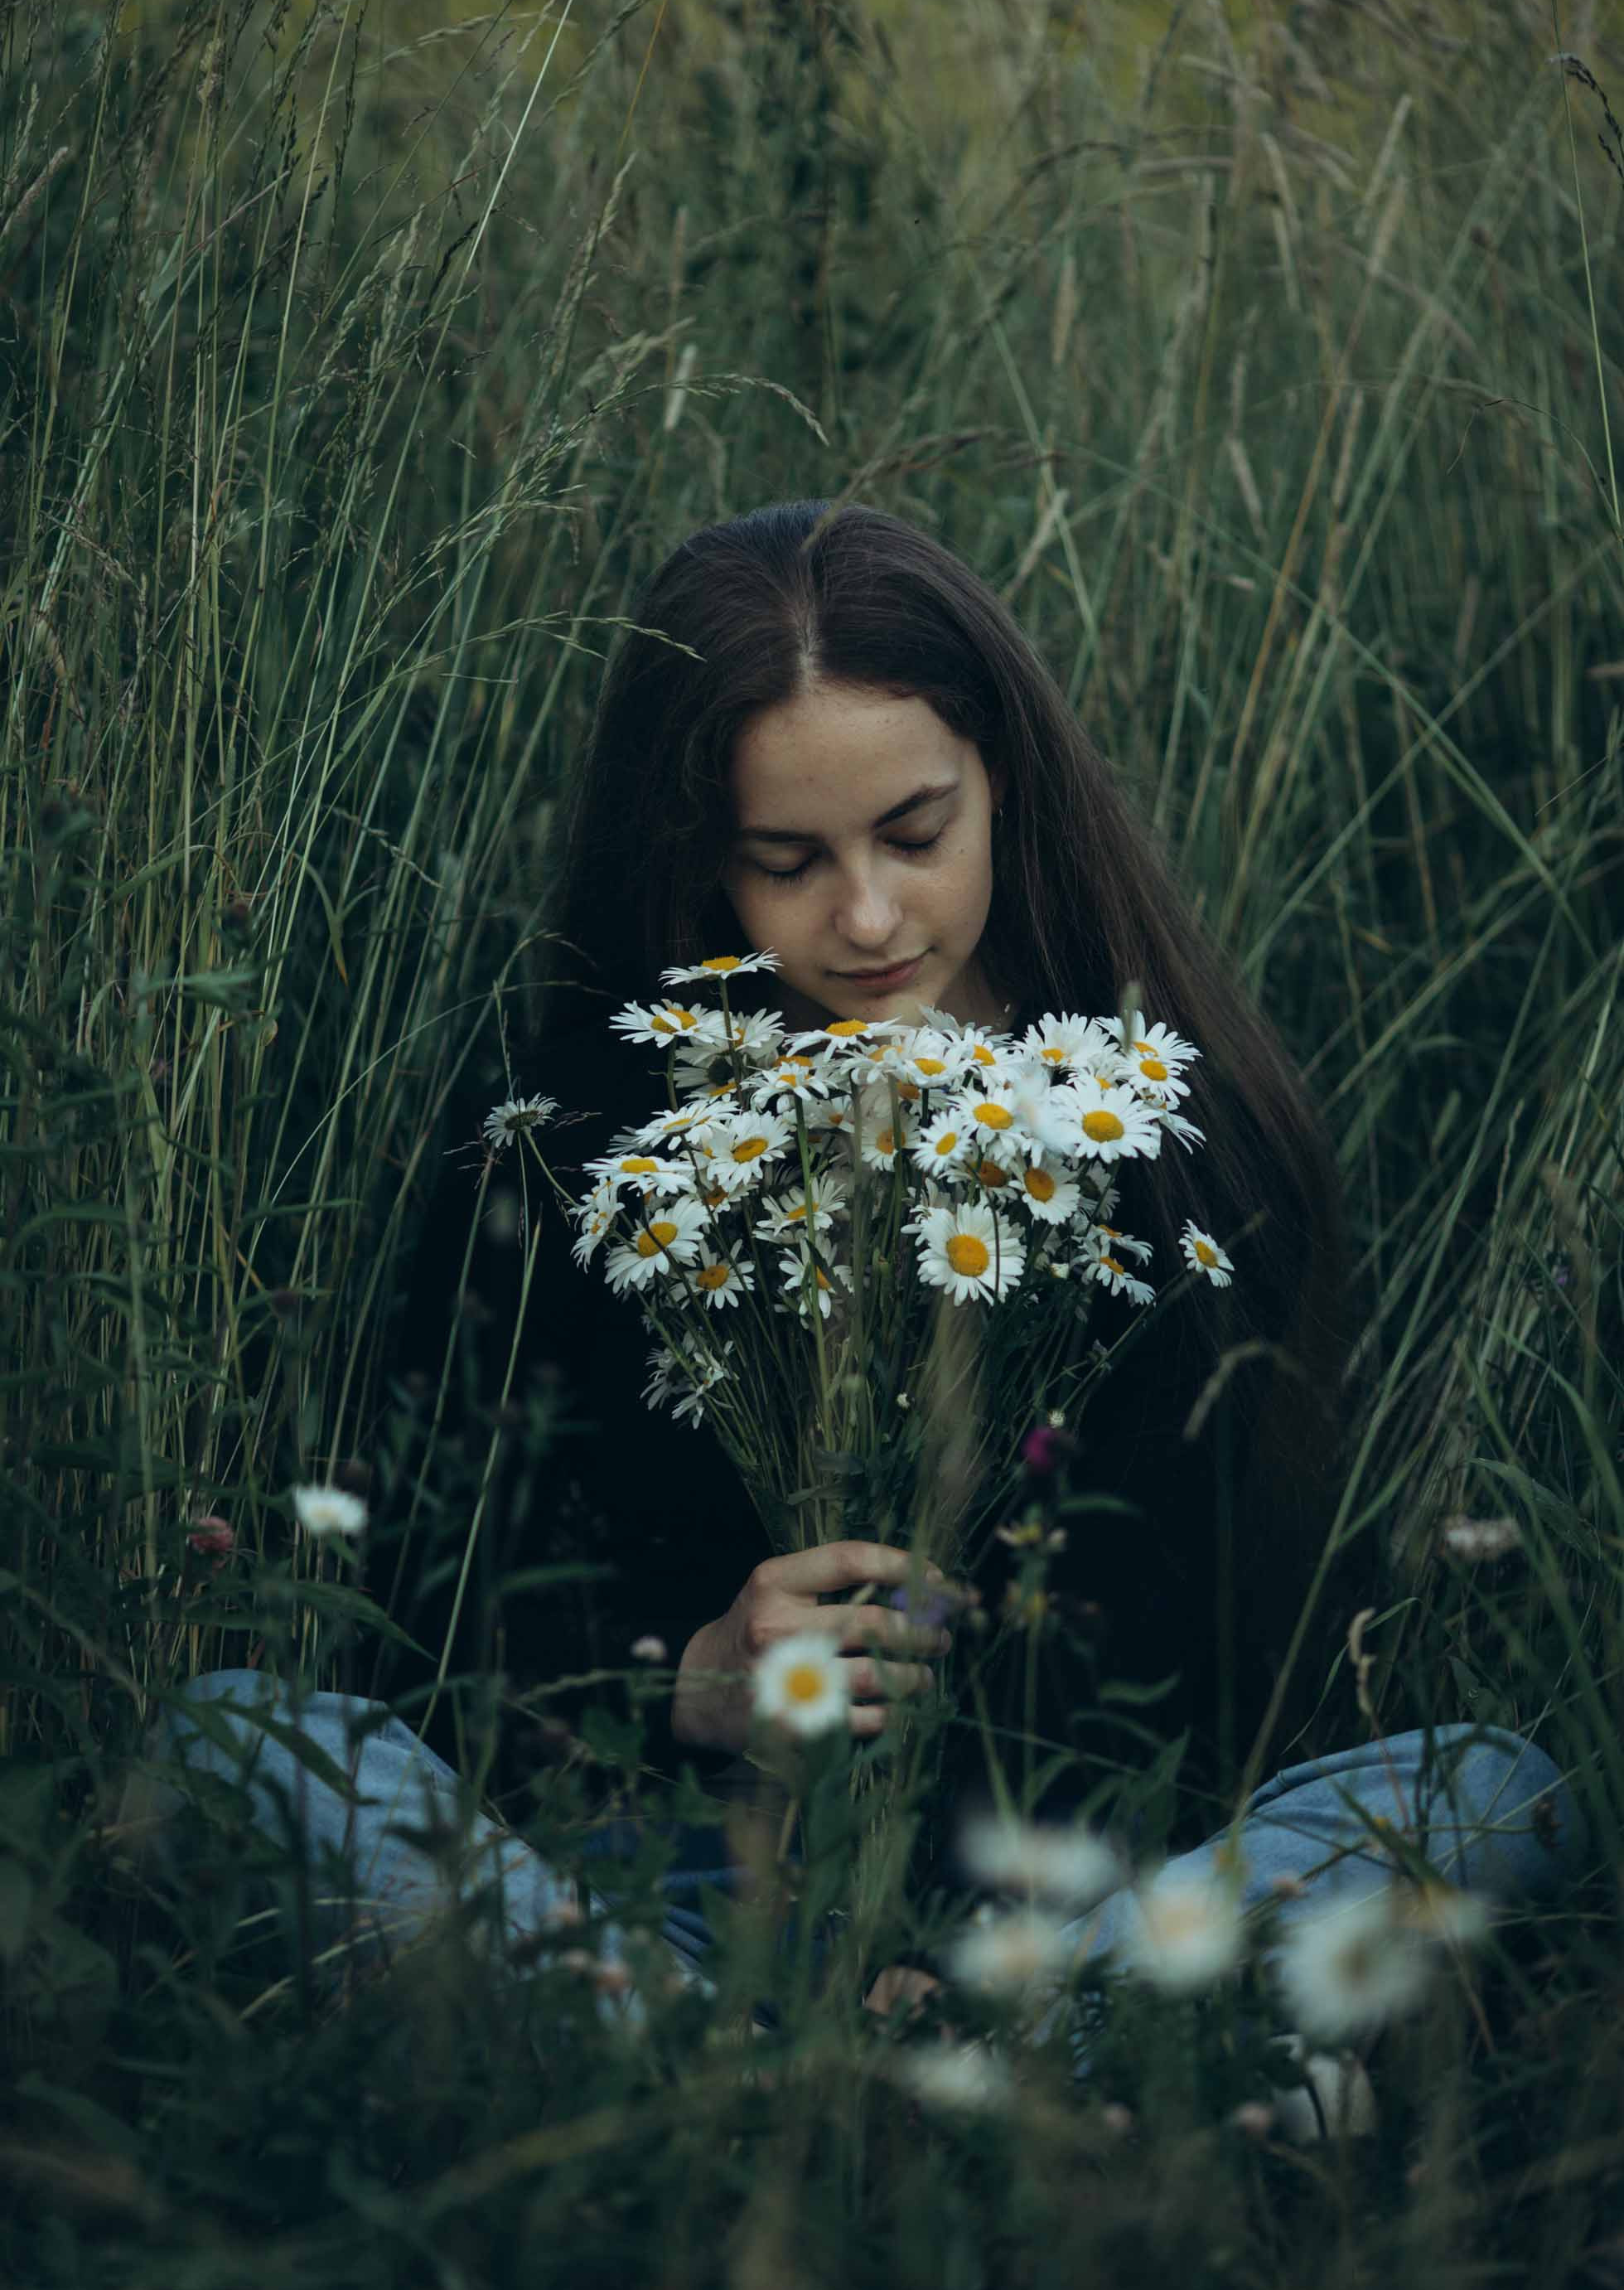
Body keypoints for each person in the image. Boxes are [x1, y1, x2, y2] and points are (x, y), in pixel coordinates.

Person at [160, 501, 1590, 2089]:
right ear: (700, 860)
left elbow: (1229, 1669)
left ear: (1008, 786)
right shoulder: (573, 1140)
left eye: (916, 834)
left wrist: (973, 1915)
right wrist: (690, 1681)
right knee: (239, 1736)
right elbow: (434, 1619)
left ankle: (891, 2061)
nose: (865, 918)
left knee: (1494, 1784)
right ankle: (772, 2063)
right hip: (658, 1892)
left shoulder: (1177, 1139)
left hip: (1070, 1908)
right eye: (788, 862)